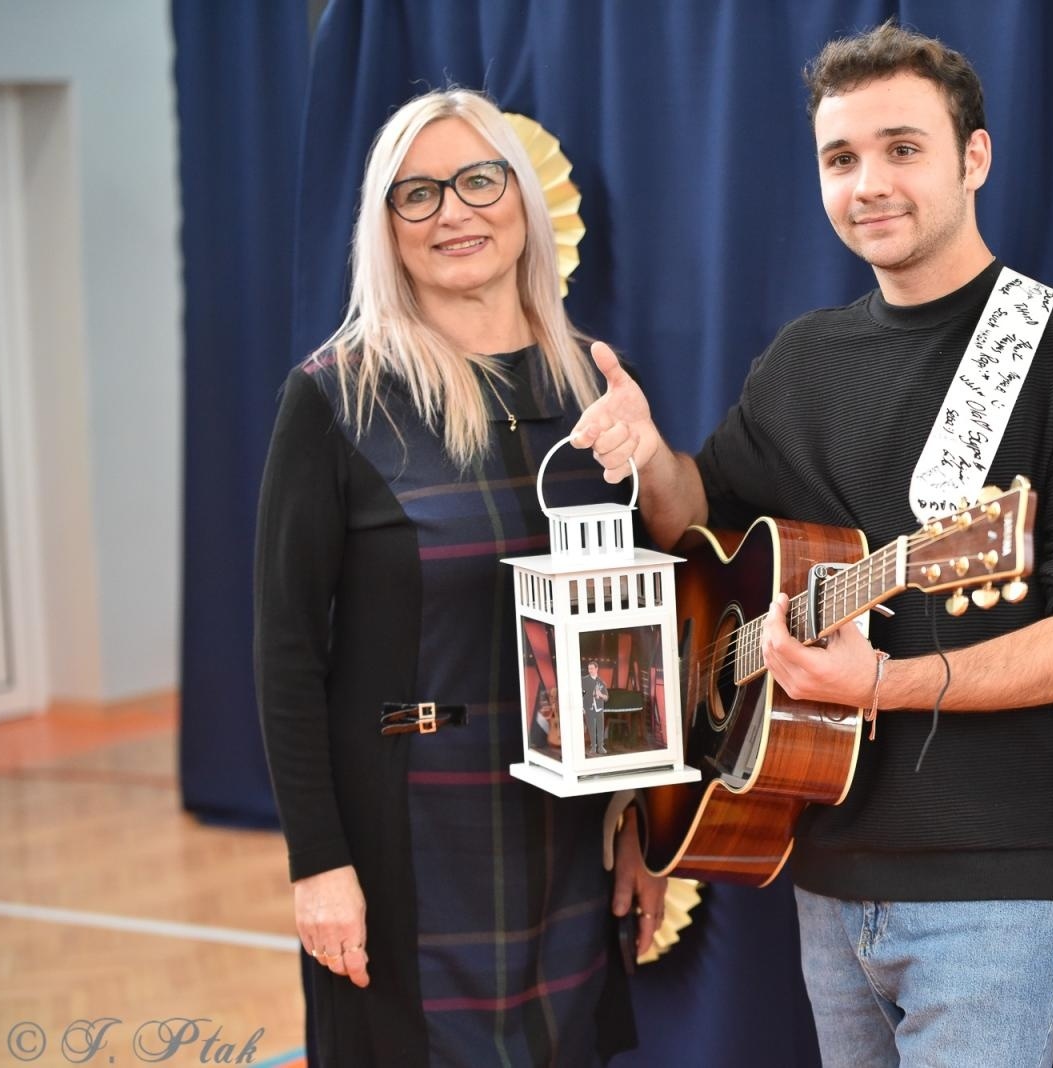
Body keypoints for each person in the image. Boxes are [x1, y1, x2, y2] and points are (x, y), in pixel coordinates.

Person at [573, 22, 1053, 1067]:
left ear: (973, 159)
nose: (867, 183)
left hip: (994, 878)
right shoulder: (804, 357)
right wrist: (647, 453)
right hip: (818, 863)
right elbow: (694, 526)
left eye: (902, 148)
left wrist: (884, 682)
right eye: (840, 159)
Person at [254, 87, 666, 1067]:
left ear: (522, 202)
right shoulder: (337, 395)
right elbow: (283, 653)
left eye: (478, 181)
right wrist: (320, 865)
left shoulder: (590, 389)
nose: (454, 212)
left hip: (568, 831)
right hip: (408, 808)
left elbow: (640, 635)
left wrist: (645, 823)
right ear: (385, 229)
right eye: (418, 194)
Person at [583, 660, 609, 754]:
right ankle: (593, 747)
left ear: (596, 669)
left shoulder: (601, 682)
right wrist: (582, 707)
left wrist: (600, 695)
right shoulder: (584, 680)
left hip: (599, 709)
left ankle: (601, 747)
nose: (590, 670)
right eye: (589, 669)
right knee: (591, 728)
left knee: (600, 728)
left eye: (592, 668)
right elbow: (581, 694)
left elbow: (606, 697)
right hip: (589, 708)